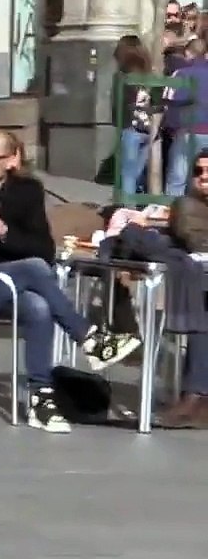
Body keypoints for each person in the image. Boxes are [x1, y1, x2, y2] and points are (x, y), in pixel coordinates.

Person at [0, 130, 141, 433]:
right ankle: (89, 338)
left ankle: (40, 399)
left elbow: (44, 250)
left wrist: (4, 233)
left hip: (7, 290)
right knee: (33, 269)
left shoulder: (27, 191)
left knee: (38, 306)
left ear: (11, 160)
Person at [159, 148, 208, 428]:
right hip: (200, 279)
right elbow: (198, 242)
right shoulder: (187, 205)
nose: (204, 177)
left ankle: (196, 396)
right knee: (204, 318)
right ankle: (196, 396)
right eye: (198, 171)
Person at [113, 35, 157, 197]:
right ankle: (134, 202)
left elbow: (118, 104)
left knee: (128, 174)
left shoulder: (121, 76)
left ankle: (128, 207)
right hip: (148, 129)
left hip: (130, 128)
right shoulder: (150, 75)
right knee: (137, 173)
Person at [164, 38, 208, 196]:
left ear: (188, 53)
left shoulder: (181, 73)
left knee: (178, 177)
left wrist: (171, 128)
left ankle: (175, 208)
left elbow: (170, 101)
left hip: (188, 130)